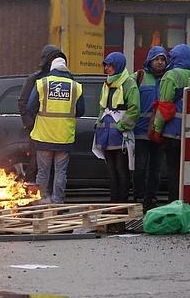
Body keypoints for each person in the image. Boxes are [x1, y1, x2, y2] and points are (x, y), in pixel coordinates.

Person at [27, 56, 85, 204]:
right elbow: (81, 111)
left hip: (44, 136)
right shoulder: (75, 86)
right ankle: (57, 202)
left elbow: (30, 107)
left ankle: (40, 203)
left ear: (52, 68)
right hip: (64, 137)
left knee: (43, 172)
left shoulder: (42, 83)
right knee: (61, 172)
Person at [150, 44, 190, 202]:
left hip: (171, 130)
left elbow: (165, 105)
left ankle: (173, 201)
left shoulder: (170, 75)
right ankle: (185, 201)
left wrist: (157, 129)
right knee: (187, 170)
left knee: (173, 169)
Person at [94, 52, 140, 203]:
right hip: (106, 135)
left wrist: (122, 126)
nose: (107, 68)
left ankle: (122, 202)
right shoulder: (107, 83)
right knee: (111, 171)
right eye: (105, 65)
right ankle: (114, 202)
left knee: (122, 170)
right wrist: (98, 123)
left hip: (120, 136)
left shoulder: (128, 84)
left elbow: (134, 109)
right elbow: (102, 106)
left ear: (118, 65)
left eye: (110, 65)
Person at [18, 45, 64, 183]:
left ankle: (48, 197)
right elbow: (22, 103)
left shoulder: (65, 80)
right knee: (35, 165)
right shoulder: (35, 79)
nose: (57, 60)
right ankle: (30, 196)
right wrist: (31, 124)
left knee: (54, 169)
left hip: (58, 131)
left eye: (59, 58)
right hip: (38, 131)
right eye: (54, 58)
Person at [133, 46, 166, 211]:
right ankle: (139, 197)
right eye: (156, 59)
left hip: (158, 132)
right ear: (150, 60)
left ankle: (151, 198)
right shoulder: (139, 76)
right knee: (140, 167)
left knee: (155, 169)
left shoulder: (168, 78)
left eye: (162, 59)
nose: (160, 62)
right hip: (140, 131)